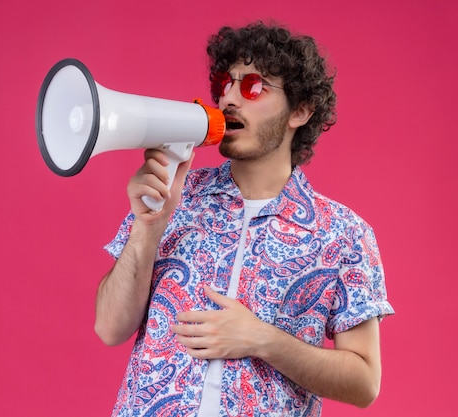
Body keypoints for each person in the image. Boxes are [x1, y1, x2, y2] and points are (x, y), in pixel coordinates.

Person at [94, 20, 394, 417]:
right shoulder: (175, 196)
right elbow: (108, 328)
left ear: (301, 111)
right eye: (224, 85)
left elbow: (364, 381)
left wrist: (263, 340)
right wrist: (147, 229)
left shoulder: (343, 234)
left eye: (252, 87)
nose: (229, 99)